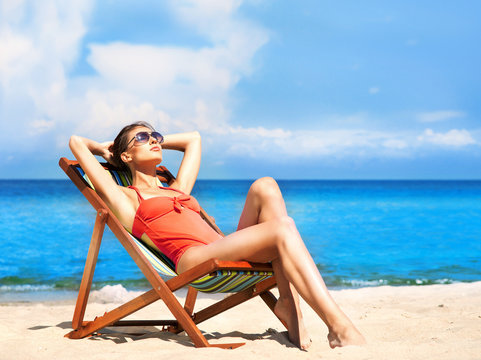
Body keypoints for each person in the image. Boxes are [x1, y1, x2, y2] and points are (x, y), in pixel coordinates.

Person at [69, 121, 365, 350]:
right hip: (193, 260)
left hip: (221, 247)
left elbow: (194, 139)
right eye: (143, 138)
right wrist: (104, 150)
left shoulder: (177, 190)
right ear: (126, 154)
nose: (154, 141)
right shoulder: (126, 199)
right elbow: (76, 143)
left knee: (266, 185)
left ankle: (287, 301)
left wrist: (153, 139)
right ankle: (338, 327)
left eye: (155, 135)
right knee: (283, 227)